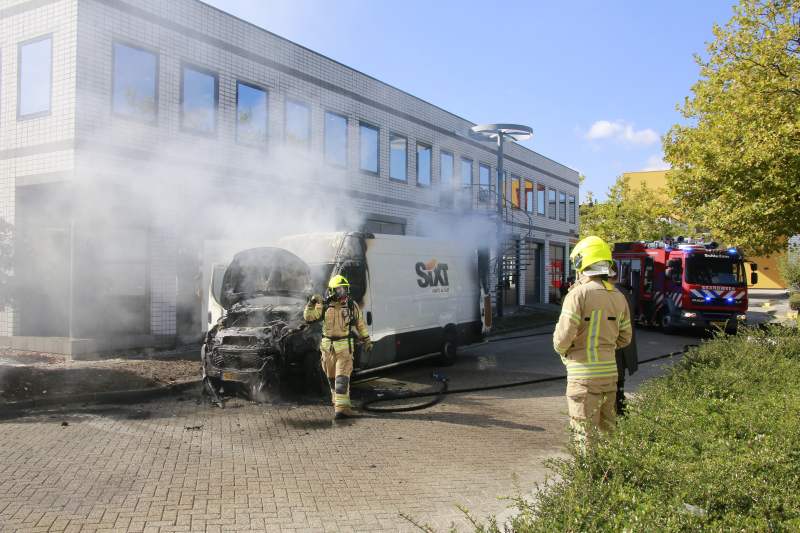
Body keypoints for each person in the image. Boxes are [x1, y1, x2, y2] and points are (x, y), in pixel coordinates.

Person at [553, 236, 632, 452]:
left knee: (585, 434)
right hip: (610, 376)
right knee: (608, 433)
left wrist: (566, 352)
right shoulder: (618, 296)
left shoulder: (577, 294)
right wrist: (604, 348)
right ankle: (610, 479)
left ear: (581, 263)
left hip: (583, 376)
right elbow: (625, 338)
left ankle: (589, 480)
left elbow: (562, 338)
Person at [304, 275, 372, 420]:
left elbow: (360, 323)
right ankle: (338, 402)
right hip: (328, 349)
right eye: (338, 289)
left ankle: (342, 410)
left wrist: (367, 339)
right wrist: (311, 304)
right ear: (332, 291)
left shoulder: (350, 305)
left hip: (344, 349)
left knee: (342, 379)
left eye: (343, 289)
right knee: (331, 378)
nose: (341, 292)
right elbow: (309, 317)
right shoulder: (324, 305)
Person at [610, 269, 638, 417]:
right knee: (619, 387)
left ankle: (620, 418)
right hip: (622, 349)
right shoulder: (623, 292)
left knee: (617, 387)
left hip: (617, 351)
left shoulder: (615, 295)